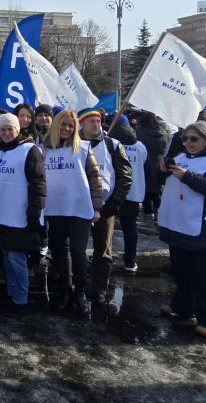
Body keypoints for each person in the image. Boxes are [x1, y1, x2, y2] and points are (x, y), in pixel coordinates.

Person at [158, 121, 206, 339]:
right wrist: (162, 171)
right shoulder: (182, 158)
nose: (188, 143)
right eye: (185, 139)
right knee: (182, 272)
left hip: (205, 228)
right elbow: (164, 184)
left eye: (194, 139)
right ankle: (183, 308)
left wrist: (188, 176)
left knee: (204, 277)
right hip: (178, 225)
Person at [0, 113, 46, 315]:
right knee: (7, 255)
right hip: (0, 213)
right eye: (2, 129)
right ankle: (11, 293)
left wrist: (35, 212)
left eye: (10, 129)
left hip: (21, 214)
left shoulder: (30, 150)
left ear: (18, 129)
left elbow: (39, 184)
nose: (7, 133)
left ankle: (20, 299)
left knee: (17, 258)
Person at [42, 110, 101, 314]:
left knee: (78, 251)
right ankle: (64, 289)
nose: (67, 129)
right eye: (64, 125)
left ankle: (80, 290)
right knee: (60, 251)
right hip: (55, 208)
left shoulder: (83, 148)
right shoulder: (44, 150)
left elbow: (95, 178)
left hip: (79, 208)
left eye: (71, 126)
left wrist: (97, 206)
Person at [78, 108, 132, 306]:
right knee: (78, 250)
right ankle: (79, 285)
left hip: (105, 206)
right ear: (82, 124)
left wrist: (112, 205)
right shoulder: (72, 145)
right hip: (79, 208)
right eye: (91, 121)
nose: (96, 124)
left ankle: (100, 289)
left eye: (98, 120)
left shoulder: (113, 145)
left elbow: (125, 177)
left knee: (103, 250)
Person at [110, 115, 148, 276]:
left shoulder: (110, 144)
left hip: (113, 192)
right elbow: (145, 164)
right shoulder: (140, 146)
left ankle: (105, 256)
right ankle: (130, 262)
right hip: (134, 191)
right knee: (130, 227)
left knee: (107, 228)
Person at [136, 112, 169, 221]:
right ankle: (159, 215)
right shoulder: (163, 133)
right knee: (157, 190)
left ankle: (148, 216)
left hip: (145, 163)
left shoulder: (141, 133)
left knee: (145, 190)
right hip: (159, 164)